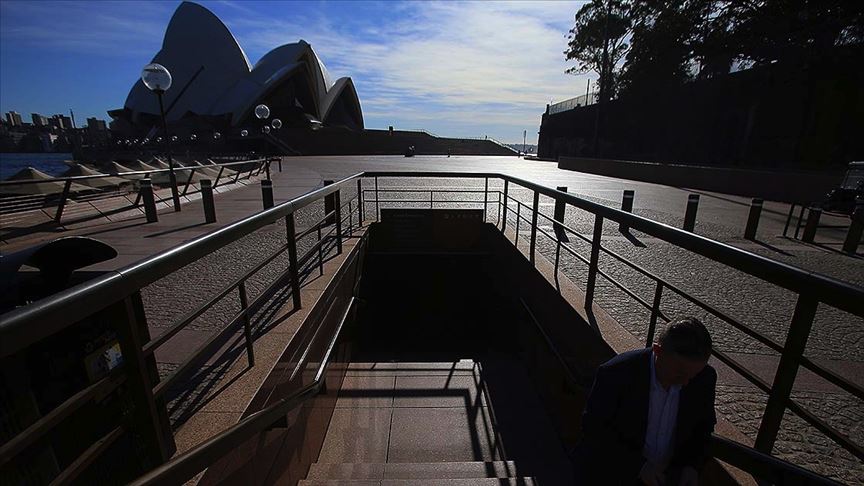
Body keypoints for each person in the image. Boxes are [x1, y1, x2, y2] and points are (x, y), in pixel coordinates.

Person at [575, 317, 717, 485]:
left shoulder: (704, 378)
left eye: (693, 375)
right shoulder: (616, 373)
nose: (685, 382)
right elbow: (594, 429)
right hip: (613, 475)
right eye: (680, 372)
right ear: (657, 351)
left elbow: (703, 428)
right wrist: (638, 467)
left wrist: (691, 466)